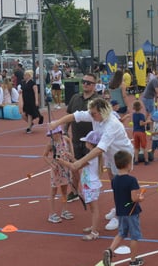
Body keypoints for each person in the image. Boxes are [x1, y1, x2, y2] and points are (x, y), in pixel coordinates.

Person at [52, 97, 134, 177]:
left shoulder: (112, 125)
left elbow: (100, 148)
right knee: (113, 180)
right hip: (109, 152)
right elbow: (75, 116)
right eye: (90, 112)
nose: (91, 115)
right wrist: (57, 123)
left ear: (102, 112)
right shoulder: (94, 115)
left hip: (122, 154)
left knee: (121, 181)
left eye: (93, 113)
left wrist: (80, 162)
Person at [57, 130, 104, 240]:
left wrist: (62, 162)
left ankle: (94, 232)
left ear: (91, 144)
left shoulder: (92, 156)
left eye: (87, 142)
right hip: (89, 184)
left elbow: (75, 167)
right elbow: (79, 163)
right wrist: (70, 157)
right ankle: (94, 226)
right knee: (92, 209)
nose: (85, 143)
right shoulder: (92, 155)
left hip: (91, 185)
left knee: (94, 209)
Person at [102, 150, 145, 266]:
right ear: (128, 165)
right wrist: (140, 198)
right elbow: (133, 198)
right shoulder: (132, 180)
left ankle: (110, 250)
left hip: (120, 212)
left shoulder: (115, 180)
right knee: (134, 236)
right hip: (131, 212)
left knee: (121, 233)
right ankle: (133, 260)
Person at [65, 72, 100, 200]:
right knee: (74, 167)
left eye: (88, 83)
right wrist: (65, 131)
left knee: (90, 167)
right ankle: (74, 191)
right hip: (76, 138)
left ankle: (90, 190)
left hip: (92, 141)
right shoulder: (75, 98)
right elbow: (69, 116)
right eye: (83, 82)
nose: (85, 84)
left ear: (94, 85)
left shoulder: (98, 101)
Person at [42, 125, 76, 224]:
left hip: (65, 168)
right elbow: (44, 156)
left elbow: (70, 141)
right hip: (56, 170)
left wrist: (71, 154)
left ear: (60, 132)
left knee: (64, 192)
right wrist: (52, 165)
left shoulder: (65, 139)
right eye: (53, 134)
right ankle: (52, 214)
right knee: (53, 192)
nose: (55, 135)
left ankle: (64, 211)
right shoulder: (50, 144)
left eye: (57, 133)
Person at [18, 70, 43, 134]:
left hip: (31, 101)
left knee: (29, 114)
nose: (24, 76)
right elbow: (23, 90)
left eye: (25, 75)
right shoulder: (24, 83)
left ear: (29, 75)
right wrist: (21, 92)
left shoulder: (33, 83)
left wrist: (36, 101)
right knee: (23, 115)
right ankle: (31, 123)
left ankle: (29, 128)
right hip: (25, 101)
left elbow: (36, 93)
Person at [131, 100, 149, 164]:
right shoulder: (141, 115)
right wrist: (147, 122)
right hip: (141, 132)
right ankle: (146, 160)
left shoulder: (133, 115)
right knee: (144, 147)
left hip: (135, 132)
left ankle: (136, 160)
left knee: (136, 147)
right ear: (141, 107)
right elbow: (141, 124)